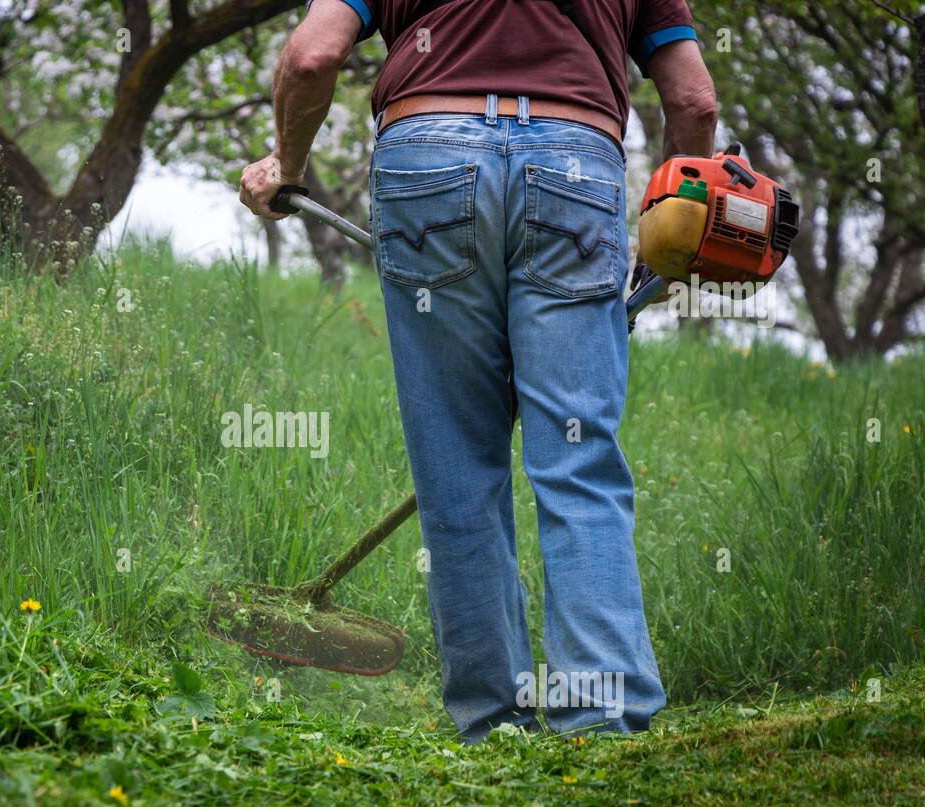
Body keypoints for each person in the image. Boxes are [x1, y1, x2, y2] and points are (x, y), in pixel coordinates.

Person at [239, 0, 718, 740]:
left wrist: (287, 168)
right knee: (579, 456)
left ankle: (494, 720)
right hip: (575, 163)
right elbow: (693, 101)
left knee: (458, 462)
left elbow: (310, 57)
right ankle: (604, 716)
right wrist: (670, 244)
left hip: (428, 158)